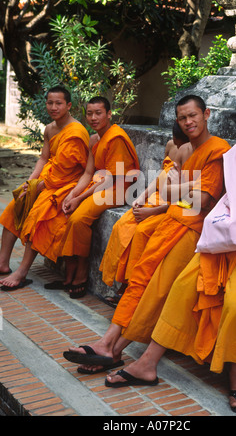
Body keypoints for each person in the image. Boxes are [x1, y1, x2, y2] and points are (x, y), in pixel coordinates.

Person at [104, 93, 236, 414]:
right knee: (183, 286)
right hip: (228, 232)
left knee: (235, 303)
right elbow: (217, 196)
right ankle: (147, 363)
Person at [63, 94, 230, 370]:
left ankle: (112, 350)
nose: (188, 122)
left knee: (155, 289)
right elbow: (185, 195)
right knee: (139, 280)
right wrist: (179, 191)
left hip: (193, 231)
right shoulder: (189, 150)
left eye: (193, 116)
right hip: (173, 222)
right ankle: (107, 344)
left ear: (207, 114)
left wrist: (174, 190)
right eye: (182, 118)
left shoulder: (217, 149)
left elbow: (201, 201)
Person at [0, 86, 89, 290]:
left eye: (59, 103)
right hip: (48, 180)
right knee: (16, 205)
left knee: (39, 214)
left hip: (68, 184)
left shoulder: (76, 132)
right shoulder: (50, 128)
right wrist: (29, 183)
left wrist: (38, 187)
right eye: (50, 103)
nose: (53, 107)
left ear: (68, 106)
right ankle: (3, 263)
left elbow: (65, 171)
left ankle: (21, 272)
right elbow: (43, 158)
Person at [56, 96, 140, 299]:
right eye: (90, 113)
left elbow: (113, 178)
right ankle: (70, 270)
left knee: (78, 218)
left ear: (109, 114)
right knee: (63, 207)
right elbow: (88, 173)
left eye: (98, 113)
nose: (93, 118)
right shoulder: (95, 139)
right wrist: (73, 194)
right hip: (101, 185)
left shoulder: (116, 137)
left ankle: (82, 270)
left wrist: (80, 198)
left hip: (118, 189)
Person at [99, 121, 189, 304]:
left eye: (182, 144)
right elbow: (160, 177)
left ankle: (132, 289)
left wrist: (154, 212)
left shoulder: (193, 153)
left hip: (171, 207)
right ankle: (122, 282)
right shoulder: (172, 145)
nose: (178, 148)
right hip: (155, 198)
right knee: (122, 225)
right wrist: (142, 197)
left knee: (140, 233)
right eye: (177, 143)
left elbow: (186, 199)